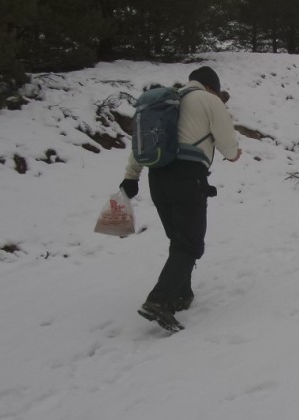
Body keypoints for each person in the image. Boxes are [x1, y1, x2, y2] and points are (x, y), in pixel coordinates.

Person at [119, 66, 242, 332]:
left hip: (157, 177)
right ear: (212, 87)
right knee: (190, 243)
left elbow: (143, 145)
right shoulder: (210, 101)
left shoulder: (168, 102)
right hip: (188, 176)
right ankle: (158, 300)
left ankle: (181, 294)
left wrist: (131, 176)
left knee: (179, 239)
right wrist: (234, 153)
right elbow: (228, 147)